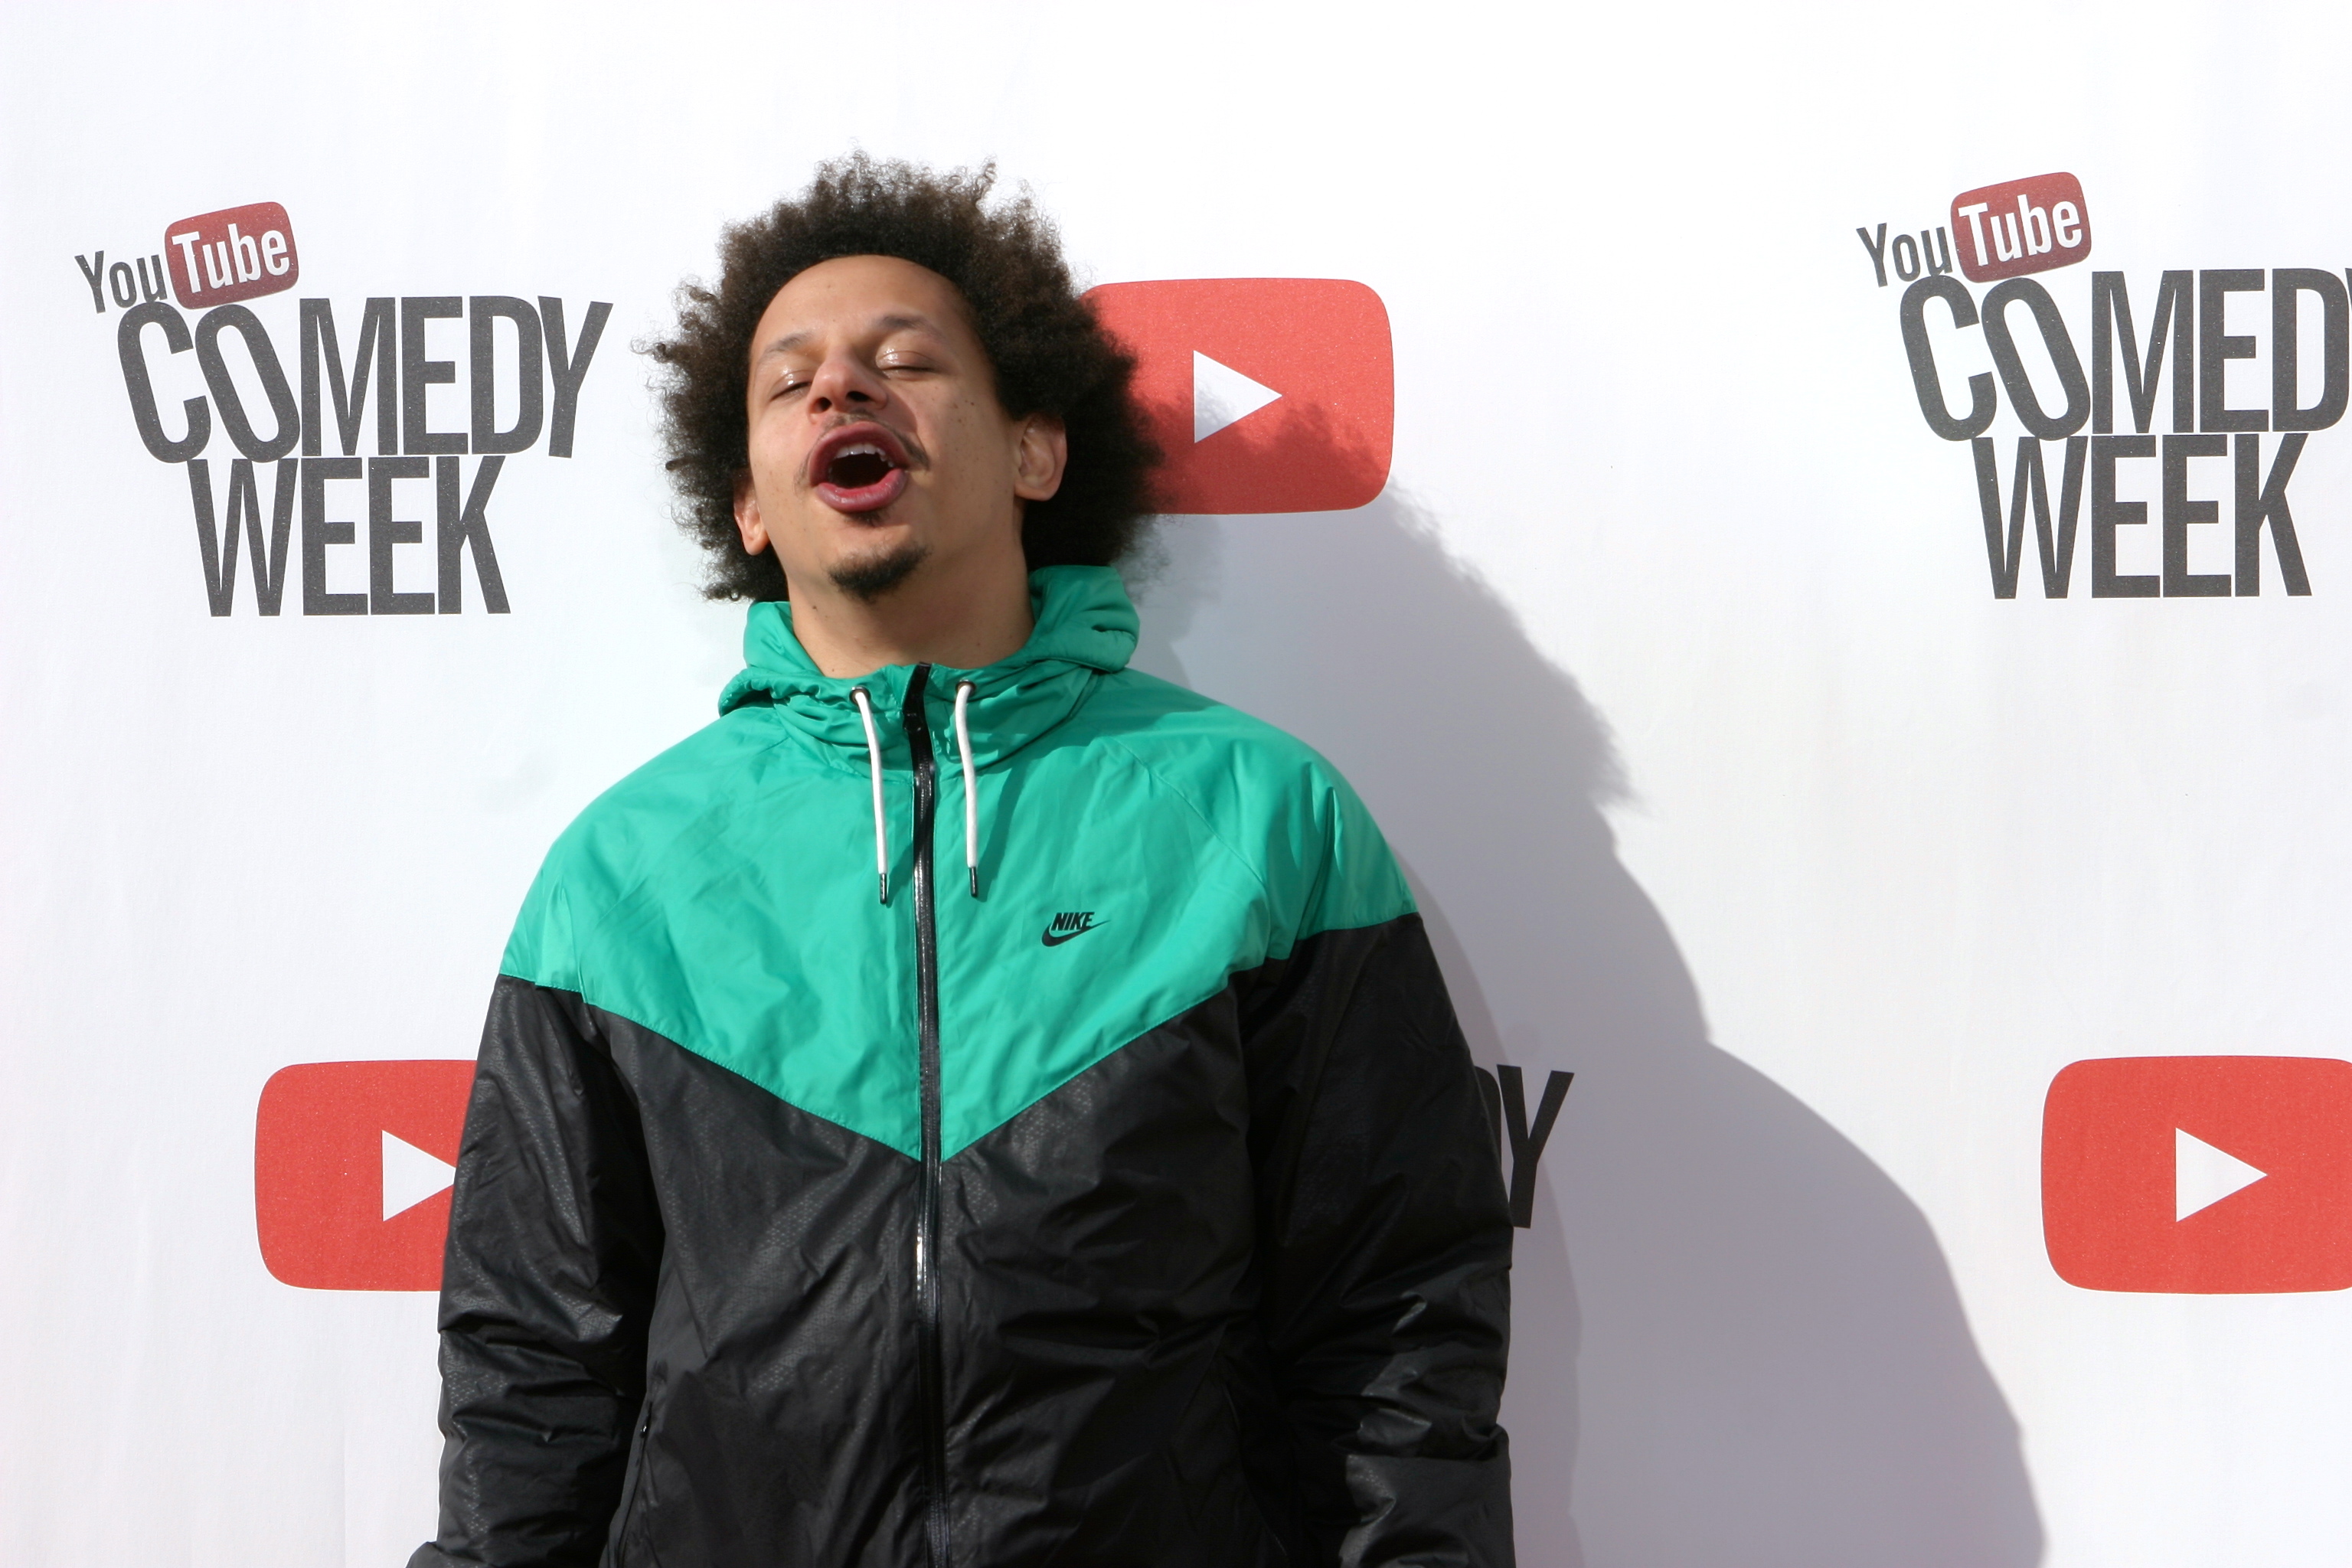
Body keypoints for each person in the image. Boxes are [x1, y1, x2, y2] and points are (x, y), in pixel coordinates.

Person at [411, 155, 1514, 1568]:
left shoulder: (1260, 817)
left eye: (905, 360)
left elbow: (1395, 1321)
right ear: (748, 506)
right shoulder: (621, 874)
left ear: (1036, 454)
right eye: (790, 379)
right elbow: (529, 1378)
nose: (840, 388)